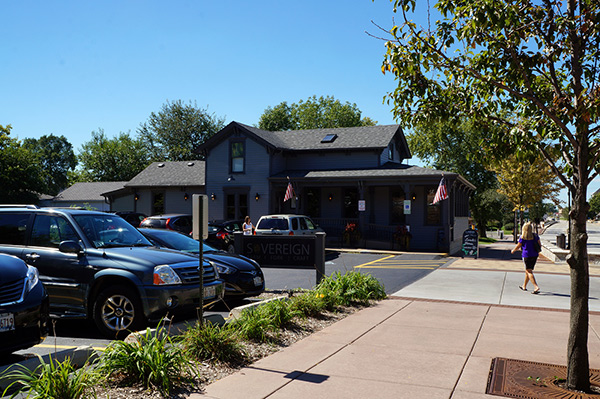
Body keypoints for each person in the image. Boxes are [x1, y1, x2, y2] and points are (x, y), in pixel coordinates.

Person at [511, 222, 541, 294]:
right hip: (534, 255)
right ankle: (524, 286)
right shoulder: (535, 236)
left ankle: (536, 286)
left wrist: (513, 250)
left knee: (529, 271)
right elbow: (539, 245)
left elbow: (518, 246)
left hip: (526, 255)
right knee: (528, 270)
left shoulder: (523, 237)